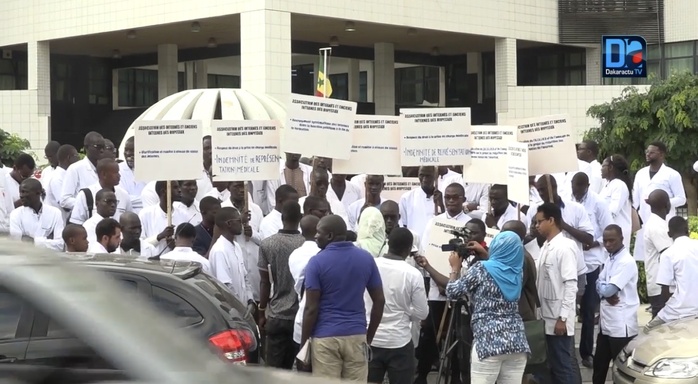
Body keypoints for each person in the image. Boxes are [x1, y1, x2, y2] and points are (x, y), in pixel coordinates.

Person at [300, 215, 385, 380]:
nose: (315, 236)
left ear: (330, 236)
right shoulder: (366, 258)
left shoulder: (316, 262)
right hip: (357, 336)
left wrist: (304, 344)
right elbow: (380, 300)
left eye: (319, 233)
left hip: (325, 338)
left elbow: (311, 308)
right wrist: (368, 338)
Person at [444, 231, 530, 384]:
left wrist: (455, 269)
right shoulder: (518, 272)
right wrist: (485, 254)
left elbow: (452, 292)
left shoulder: (481, 268)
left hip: (488, 341)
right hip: (517, 343)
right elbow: (500, 266)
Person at [366, 228, 429, 384]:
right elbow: (422, 313)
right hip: (399, 341)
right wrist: (406, 311)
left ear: (388, 243)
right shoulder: (413, 274)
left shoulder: (370, 265)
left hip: (370, 338)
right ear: (409, 250)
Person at [570, 171, 613, 368]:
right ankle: (567, 353)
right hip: (571, 262)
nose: (576, 191)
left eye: (580, 187)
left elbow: (609, 231)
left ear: (587, 185)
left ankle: (586, 352)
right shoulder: (565, 201)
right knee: (567, 309)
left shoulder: (598, 203)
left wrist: (594, 243)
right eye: (574, 186)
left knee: (588, 310)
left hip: (591, 263)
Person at [534, 202, 580, 384]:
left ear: (551, 220)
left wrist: (563, 318)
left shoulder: (565, 246)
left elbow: (570, 285)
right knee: (549, 366)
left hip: (558, 320)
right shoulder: (546, 245)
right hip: (545, 317)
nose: (537, 226)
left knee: (563, 366)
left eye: (540, 222)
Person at [257, 201, 305, 369]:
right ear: (301, 217)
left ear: (282, 217)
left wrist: (261, 311)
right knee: (302, 368)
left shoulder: (267, 244)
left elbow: (264, 282)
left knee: (275, 370)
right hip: (301, 316)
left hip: (277, 314)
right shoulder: (307, 244)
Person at [592, 224, 638, 384]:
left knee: (622, 371)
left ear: (622, 239)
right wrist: (604, 291)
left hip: (621, 326)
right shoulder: (609, 259)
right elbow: (600, 285)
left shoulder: (626, 261)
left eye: (612, 240)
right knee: (599, 368)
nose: (608, 244)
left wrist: (604, 291)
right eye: (605, 241)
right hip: (606, 325)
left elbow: (608, 290)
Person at [632, 142, 686, 262]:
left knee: (665, 257)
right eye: (647, 152)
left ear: (661, 154)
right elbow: (635, 201)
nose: (648, 154)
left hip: (664, 221)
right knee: (647, 260)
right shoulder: (640, 174)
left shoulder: (672, 174)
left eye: (651, 152)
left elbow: (682, 198)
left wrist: (662, 202)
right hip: (644, 220)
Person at [646, 216, 698, 331]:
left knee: (648, 332)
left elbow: (665, 289)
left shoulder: (668, 254)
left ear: (669, 234)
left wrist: (668, 308)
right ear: (687, 230)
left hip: (678, 310)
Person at [222, 180, 264, 302]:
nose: (241, 190)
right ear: (229, 187)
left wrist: (252, 234)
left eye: (243, 186)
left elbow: (263, 240)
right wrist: (240, 220)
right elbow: (221, 234)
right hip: (233, 264)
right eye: (237, 186)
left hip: (254, 265)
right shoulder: (223, 209)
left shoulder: (256, 209)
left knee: (255, 301)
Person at [209, 207, 255, 310]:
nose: (242, 224)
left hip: (244, 308)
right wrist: (240, 309)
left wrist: (250, 301)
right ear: (229, 223)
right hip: (232, 311)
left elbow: (245, 277)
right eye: (239, 221)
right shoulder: (219, 250)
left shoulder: (236, 246)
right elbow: (226, 287)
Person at [69, 158, 131, 225]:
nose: (119, 175)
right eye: (116, 173)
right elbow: (76, 223)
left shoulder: (124, 195)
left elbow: (129, 220)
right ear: (104, 174)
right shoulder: (85, 195)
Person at [9, 178, 64, 251]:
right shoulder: (15, 214)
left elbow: (60, 245)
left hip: (50, 258)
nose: (21, 196)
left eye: (25, 192)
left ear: (38, 193)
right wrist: (47, 240)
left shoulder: (55, 213)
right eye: (20, 192)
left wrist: (33, 241)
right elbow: (17, 244)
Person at [643, 189, 674, 318]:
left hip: (660, 284)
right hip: (661, 287)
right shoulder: (656, 225)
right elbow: (669, 253)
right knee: (661, 330)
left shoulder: (657, 223)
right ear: (667, 205)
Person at [59, 131, 105, 212]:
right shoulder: (75, 169)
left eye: (103, 147)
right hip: (84, 218)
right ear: (86, 147)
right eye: (97, 146)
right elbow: (65, 200)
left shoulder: (105, 168)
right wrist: (90, 204)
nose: (101, 150)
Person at [139, 180, 188, 255]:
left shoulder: (183, 214)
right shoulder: (145, 214)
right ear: (163, 191)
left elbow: (189, 243)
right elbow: (140, 244)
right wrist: (159, 236)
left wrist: (175, 247)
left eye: (178, 187)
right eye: (175, 187)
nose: (179, 190)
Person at [599, 154, 633, 248]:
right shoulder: (607, 185)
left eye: (603, 166)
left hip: (617, 230)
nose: (601, 169)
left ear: (610, 167)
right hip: (607, 230)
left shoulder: (619, 185)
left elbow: (613, 211)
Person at [399, 166, 443, 236]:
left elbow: (448, 221)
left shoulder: (443, 198)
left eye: (428, 176)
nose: (424, 179)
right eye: (422, 175)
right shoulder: (407, 198)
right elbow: (403, 224)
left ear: (436, 176)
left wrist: (441, 205)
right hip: (414, 243)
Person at [46, 144, 79, 221]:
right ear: (69, 158)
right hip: (58, 222)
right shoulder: (57, 178)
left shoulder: (67, 175)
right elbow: (64, 204)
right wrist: (84, 202)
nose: (78, 158)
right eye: (76, 155)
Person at [117, 136, 146, 213]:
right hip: (125, 215)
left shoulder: (149, 169)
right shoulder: (117, 169)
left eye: (132, 150)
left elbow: (154, 196)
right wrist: (145, 199)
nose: (128, 153)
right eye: (126, 150)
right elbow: (121, 197)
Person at [196, 135, 214, 201]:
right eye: (207, 148)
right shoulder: (195, 173)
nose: (211, 151)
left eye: (213, 147)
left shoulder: (225, 171)